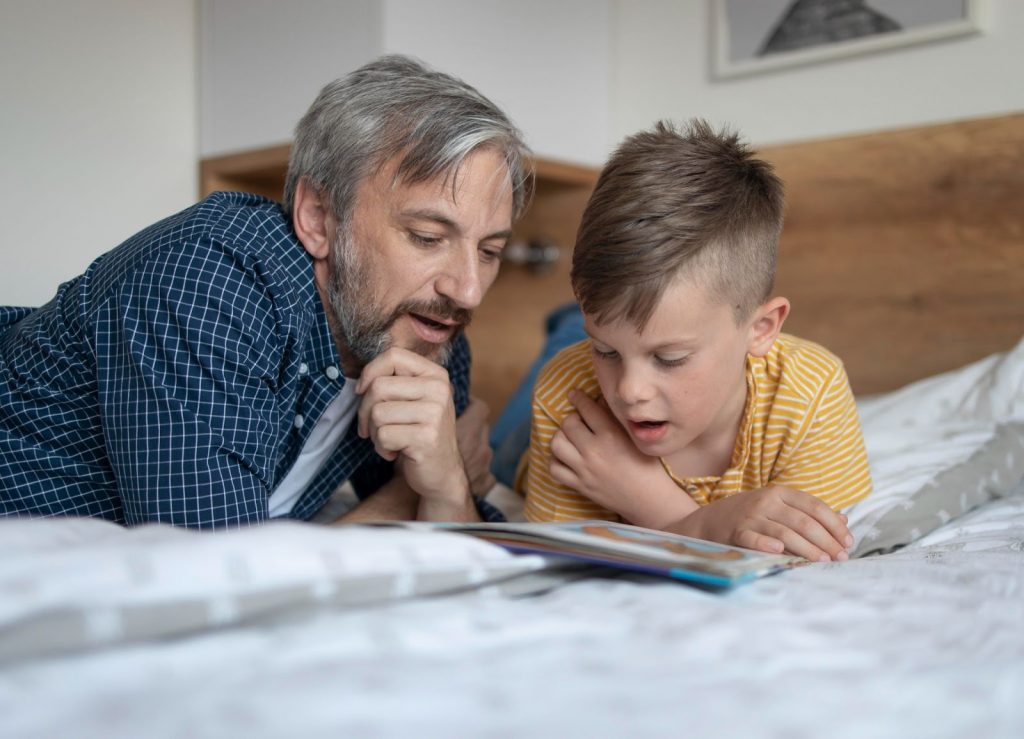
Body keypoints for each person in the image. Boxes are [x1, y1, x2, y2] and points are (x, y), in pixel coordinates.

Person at [0, 55, 532, 528]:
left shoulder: (428, 328)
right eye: (427, 237)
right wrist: (401, 496)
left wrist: (444, 486)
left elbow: (463, 554)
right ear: (318, 218)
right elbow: (213, 583)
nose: (467, 291)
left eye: (489, 252)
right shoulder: (204, 281)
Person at [520, 119, 872, 562]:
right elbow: (557, 559)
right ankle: (576, 328)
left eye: (670, 358)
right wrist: (707, 526)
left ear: (760, 330)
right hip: (531, 433)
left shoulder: (810, 389)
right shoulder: (568, 392)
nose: (629, 391)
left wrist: (653, 504)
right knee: (503, 448)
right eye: (606, 351)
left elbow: (801, 566)